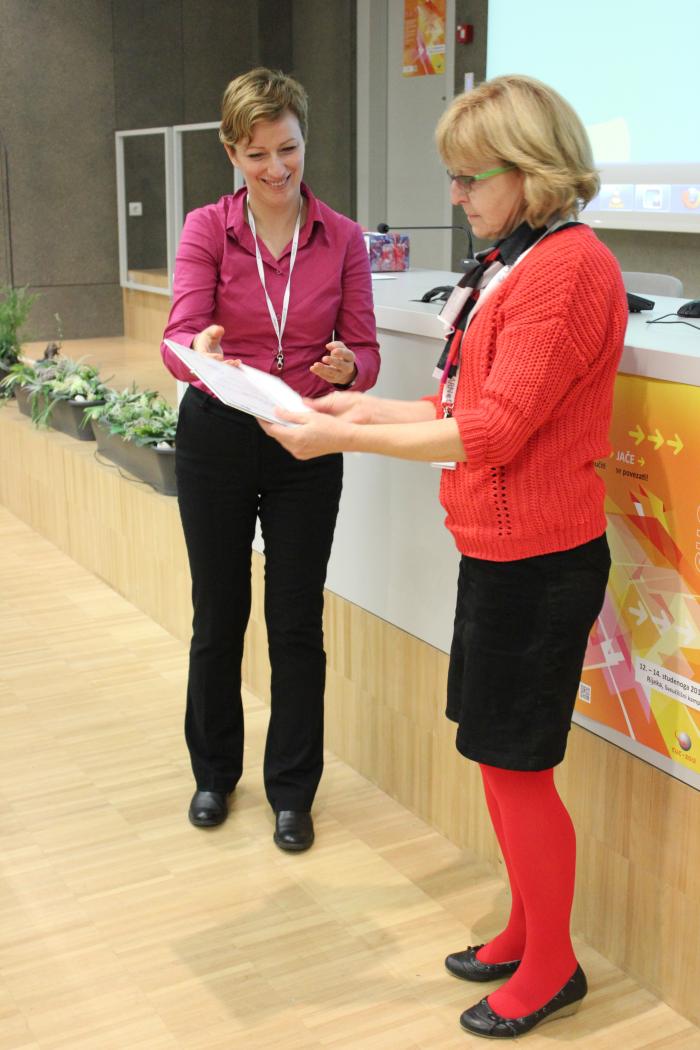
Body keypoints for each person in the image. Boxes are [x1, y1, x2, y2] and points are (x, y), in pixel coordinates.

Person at [259, 75, 627, 1037]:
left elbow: (494, 432)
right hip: (503, 551)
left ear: (531, 171)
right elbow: (467, 405)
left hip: (541, 561)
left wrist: (341, 438)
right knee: (497, 760)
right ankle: (527, 930)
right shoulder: (522, 259)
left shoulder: (567, 270)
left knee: (517, 767)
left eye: (470, 178)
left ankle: (552, 966)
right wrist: (365, 408)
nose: (456, 197)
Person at [161, 68, 380, 852]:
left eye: (287, 148)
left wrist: (348, 369)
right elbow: (177, 338)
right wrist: (200, 350)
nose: (276, 168)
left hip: (304, 441)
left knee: (296, 622)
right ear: (232, 152)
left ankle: (293, 791)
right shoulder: (205, 230)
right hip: (218, 437)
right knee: (218, 615)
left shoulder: (343, 238)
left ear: (303, 140)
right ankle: (214, 774)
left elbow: (366, 351)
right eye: (257, 154)